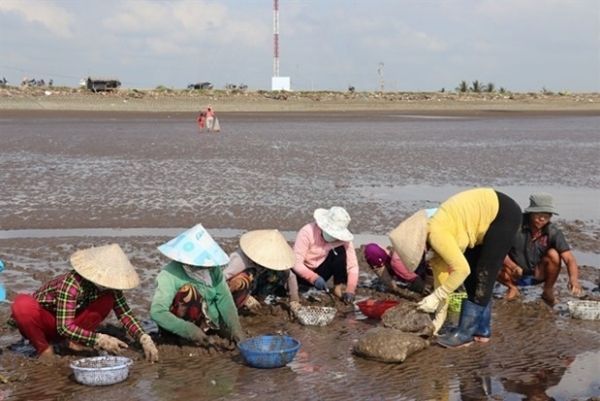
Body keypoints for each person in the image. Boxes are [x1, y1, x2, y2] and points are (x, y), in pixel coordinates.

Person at [390, 188, 521, 348]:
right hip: (477, 223)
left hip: (502, 213)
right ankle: (481, 331)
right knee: (473, 277)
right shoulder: (435, 252)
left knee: (483, 274)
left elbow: (461, 270)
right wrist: (435, 328)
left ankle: (465, 334)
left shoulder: (436, 234)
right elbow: (443, 288)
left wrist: (435, 296)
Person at [8, 244, 159, 362]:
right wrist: (99, 339)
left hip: (70, 325)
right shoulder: (71, 284)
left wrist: (144, 338)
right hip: (47, 323)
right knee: (22, 305)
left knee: (107, 300)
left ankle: (74, 342)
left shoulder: (110, 290)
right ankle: (44, 349)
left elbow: (125, 314)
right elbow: (64, 327)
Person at [150, 224, 245, 349]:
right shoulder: (168, 275)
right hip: (181, 325)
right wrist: (189, 330)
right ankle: (184, 338)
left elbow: (224, 299)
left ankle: (208, 330)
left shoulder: (213, 270)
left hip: (208, 321)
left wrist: (236, 330)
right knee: (189, 292)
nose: (207, 267)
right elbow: (157, 312)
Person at [497, 192, 583, 306]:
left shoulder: (553, 232)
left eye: (546, 215)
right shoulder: (515, 225)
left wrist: (573, 279)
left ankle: (547, 291)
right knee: (489, 258)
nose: (542, 218)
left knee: (554, 254)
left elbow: (569, 259)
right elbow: (498, 249)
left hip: (538, 273)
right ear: (531, 213)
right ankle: (512, 288)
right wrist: (513, 266)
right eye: (538, 214)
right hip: (511, 272)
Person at [292, 206, 359, 304]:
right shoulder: (307, 231)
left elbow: (352, 266)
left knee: (340, 252)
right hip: (301, 272)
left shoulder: (343, 240)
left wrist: (350, 289)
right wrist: (313, 278)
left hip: (322, 271)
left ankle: (337, 288)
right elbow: (296, 263)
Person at [222, 229, 299, 310]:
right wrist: (246, 298)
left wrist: (294, 301)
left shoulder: (277, 260)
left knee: (278, 272)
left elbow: (290, 277)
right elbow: (222, 280)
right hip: (242, 288)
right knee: (240, 279)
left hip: (261, 283)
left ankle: (261, 297)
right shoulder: (240, 259)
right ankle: (242, 301)